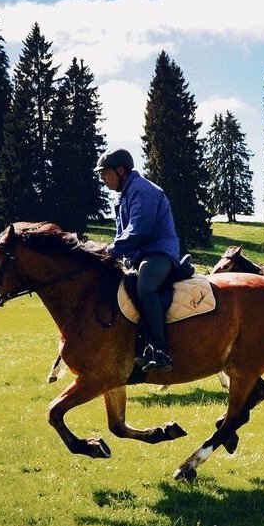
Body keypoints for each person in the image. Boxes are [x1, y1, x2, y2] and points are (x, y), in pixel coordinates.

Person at [97, 148, 180, 372]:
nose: (102, 178)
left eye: (105, 173)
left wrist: (110, 251)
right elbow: (121, 234)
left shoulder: (142, 190)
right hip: (137, 257)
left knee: (145, 287)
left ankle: (160, 350)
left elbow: (138, 230)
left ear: (120, 170)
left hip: (159, 253)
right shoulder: (123, 195)